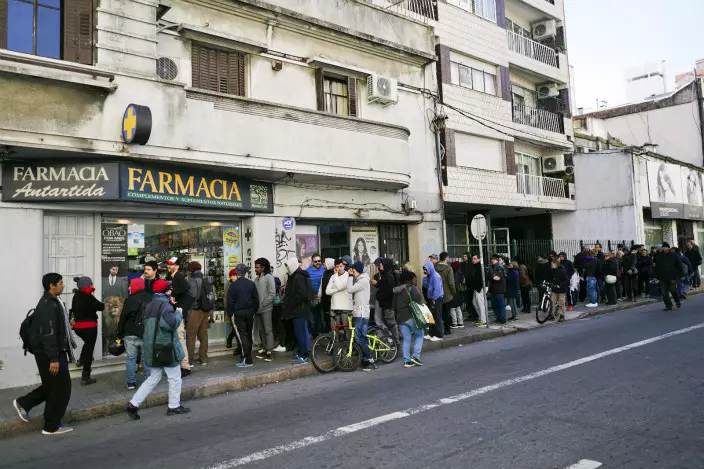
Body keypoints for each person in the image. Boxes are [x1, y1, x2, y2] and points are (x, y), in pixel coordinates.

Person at [14, 273, 76, 435]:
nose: (63, 285)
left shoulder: (52, 302)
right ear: (51, 285)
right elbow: (48, 333)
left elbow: (53, 328)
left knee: (52, 386)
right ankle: (51, 426)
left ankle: (25, 404)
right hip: (50, 353)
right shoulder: (49, 304)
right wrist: (54, 359)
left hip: (48, 352)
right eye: (60, 283)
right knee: (62, 389)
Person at [124, 279, 189, 420]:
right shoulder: (165, 305)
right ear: (165, 291)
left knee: (153, 377)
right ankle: (174, 406)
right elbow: (170, 324)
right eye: (169, 289)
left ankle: (133, 404)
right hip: (165, 347)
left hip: (151, 347)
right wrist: (178, 313)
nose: (171, 291)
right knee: (175, 377)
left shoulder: (149, 304)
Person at [118, 278, 153, 390]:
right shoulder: (150, 298)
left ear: (136, 286)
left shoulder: (130, 300)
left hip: (130, 334)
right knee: (146, 359)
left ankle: (131, 383)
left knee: (131, 358)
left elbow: (123, 317)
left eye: (130, 285)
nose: (129, 288)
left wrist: (119, 333)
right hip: (145, 333)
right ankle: (148, 382)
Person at [70, 276, 103, 386]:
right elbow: (100, 306)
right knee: (89, 350)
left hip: (78, 328)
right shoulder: (88, 296)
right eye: (91, 283)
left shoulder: (76, 295)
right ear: (87, 285)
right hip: (89, 327)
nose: (93, 285)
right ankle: (85, 377)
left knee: (87, 344)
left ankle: (80, 360)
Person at [226, 264, 260, 367]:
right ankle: (248, 356)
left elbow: (230, 302)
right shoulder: (251, 284)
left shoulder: (233, 286)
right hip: (250, 312)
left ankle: (247, 359)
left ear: (237, 272)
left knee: (242, 336)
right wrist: (254, 310)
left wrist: (230, 314)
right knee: (249, 334)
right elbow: (256, 299)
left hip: (238, 313)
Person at [347, 261, 377, 371]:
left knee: (360, 338)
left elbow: (350, 290)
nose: (353, 273)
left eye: (354, 271)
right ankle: (366, 359)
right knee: (361, 337)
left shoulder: (363, 281)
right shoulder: (361, 280)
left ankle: (369, 360)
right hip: (359, 313)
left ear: (358, 271)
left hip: (362, 313)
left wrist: (350, 277)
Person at [283, 258, 312, 365]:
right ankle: (301, 353)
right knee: (299, 332)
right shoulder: (295, 276)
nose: (287, 268)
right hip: (298, 309)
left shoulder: (298, 277)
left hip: (300, 309)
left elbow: (301, 294)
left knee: (301, 333)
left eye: (288, 266)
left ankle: (304, 355)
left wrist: (292, 302)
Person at [392, 271, 425, 368]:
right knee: (420, 335)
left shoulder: (396, 290)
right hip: (410, 316)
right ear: (409, 279)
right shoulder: (412, 288)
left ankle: (407, 361)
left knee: (406, 339)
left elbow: (393, 306)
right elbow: (419, 300)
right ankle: (415, 356)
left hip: (400, 318)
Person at [165, 258, 192, 376]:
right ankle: (181, 365)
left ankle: (185, 367)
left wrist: (173, 294)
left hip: (179, 311)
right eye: (168, 264)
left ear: (177, 266)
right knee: (178, 339)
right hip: (177, 310)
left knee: (180, 339)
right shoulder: (174, 277)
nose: (168, 266)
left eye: (171, 265)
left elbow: (186, 287)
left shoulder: (179, 276)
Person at [185, 261, 209, 367]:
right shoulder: (205, 279)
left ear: (191, 269)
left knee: (191, 336)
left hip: (195, 310)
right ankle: (203, 359)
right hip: (205, 310)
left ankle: (189, 360)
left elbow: (193, 294)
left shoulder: (192, 279)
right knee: (203, 335)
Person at [253, 258, 276, 362]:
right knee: (261, 330)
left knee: (268, 330)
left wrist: (262, 305)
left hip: (266, 309)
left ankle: (270, 352)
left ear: (263, 268)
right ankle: (265, 348)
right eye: (255, 267)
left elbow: (272, 294)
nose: (255, 269)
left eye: (257, 267)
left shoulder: (269, 277)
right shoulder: (256, 279)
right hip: (257, 310)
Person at [376, 258, 400, 341]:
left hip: (388, 304)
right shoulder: (386, 274)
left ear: (386, 265)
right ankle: (392, 339)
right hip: (385, 304)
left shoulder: (389, 276)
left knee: (391, 323)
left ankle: (396, 340)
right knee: (387, 322)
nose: (380, 265)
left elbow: (389, 291)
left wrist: (380, 296)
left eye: (382, 264)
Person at [654, 242, 683, 311]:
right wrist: (656, 275)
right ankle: (668, 305)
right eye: (663, 247)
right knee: (664, 292)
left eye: (665, 247)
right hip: (662, 277)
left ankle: (677, 301)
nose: (664, 248)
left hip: (672, 276)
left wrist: (681, 275)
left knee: (673, 290)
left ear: (668, 248)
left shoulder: (674, 255)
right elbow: (657, 267)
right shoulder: (659, 256)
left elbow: (679, 265)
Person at [326, 258, 353, 327]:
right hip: (335, 306)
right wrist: (337, 290)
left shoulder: (348, 275)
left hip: (346, 306)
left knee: (347, 328)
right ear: (335, 268)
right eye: (337, 267)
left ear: (344, 266)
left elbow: (340, 287)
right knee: (335, 328)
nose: (340, 268)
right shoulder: (333, 276)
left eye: (341, 266)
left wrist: (335, 288)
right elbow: (327, 291)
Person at [435, 252, 456, 336]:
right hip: (447, 293)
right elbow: (451, 283)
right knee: (447, 312)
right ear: (446, 258)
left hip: (437, 292)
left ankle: (440, 328)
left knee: (439, 312)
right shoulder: (449, 268)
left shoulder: (435, 267)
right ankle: (447, 329)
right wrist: (454, 292)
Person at [422, 261, 444, 340]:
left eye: (426, 269)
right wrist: (425, 277)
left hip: (436, 299)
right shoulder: (430, 276)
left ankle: (439, 335)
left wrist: (434, 299)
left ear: (430, 268)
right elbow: (426, 286)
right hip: (432, 299)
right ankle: (431, 333)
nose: (425, 271)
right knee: (431, 317)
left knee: (437, 317)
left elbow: (437, 290)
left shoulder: (435, 276)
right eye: (424, 269)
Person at [306, 253, 326, 337]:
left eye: (319, 261)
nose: (318, 262)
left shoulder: (324, 269)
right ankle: (315, 333)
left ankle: (324, 333)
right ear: (312, 262)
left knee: (322, 315)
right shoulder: (308, 271)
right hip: (313, 297)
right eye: (315, 261)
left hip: (323, 296)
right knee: (314, 316)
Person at [223, 269, 242, 356]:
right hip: (231, 309)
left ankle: (236, 344)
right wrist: (227, 308)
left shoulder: (240, 283)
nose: (233, 277)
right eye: (231, 276)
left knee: (238, 328)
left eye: (234, 276)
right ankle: (231, 340)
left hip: (239, 309)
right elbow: (225, 297)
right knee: (235, 328)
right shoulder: (229, 285)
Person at [488, 255, 507, 324]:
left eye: (493, 259)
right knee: (495, 305)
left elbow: (498, 278)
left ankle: (503, 319)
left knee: (500, 304)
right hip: (493, 289)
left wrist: (492, 276)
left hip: (499, 289)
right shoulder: (491, 267)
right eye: (491, 259)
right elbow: (488, 276)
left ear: (496, 260)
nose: (492, 260)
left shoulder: (500, 267)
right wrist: (493, 276)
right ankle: (498, 318)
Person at [469, 255, 488, 326]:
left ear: (479, 259)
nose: (473, 260)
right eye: (472, 259)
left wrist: (479, 288)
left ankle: (484, 321)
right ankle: (481, 318)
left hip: (480, 288)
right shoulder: (475, 266)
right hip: (477, 288)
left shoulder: (480, 267)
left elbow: (482, 278)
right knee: (475, 303)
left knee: (480, 304)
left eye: (475, 259)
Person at [319, 258, 336, 328]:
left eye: (325, 263)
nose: (323, 264)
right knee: (326, 315)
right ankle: (328, 329)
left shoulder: (334, 273)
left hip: (331, 298)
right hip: (324, 298)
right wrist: (319, 295)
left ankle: (332, 329)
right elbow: (321, 284)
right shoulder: (325, 273)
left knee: (331, 315)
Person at [448, 261, 465, 328]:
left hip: (455, 293)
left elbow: (454, 284)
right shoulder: (461, 272)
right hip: (460, 293)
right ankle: (461, 323)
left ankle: (454, 323)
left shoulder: (455, 273)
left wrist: (452, 291)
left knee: (452, 308)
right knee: (458, 308)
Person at [461, 252, 477, 321]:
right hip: (466, 285)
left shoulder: (471, 264)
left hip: (471, 285)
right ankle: (471, 314)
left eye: (466, 256)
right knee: (468, 301)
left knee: (472, 301)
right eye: (464, 256)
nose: (464, 257)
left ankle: (474, 315)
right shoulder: (463, 264)